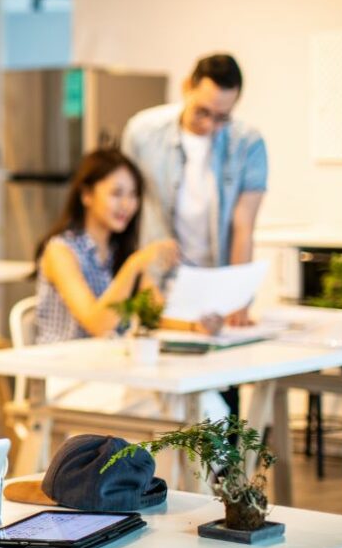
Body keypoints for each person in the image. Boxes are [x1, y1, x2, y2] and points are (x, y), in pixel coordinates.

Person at [34, 148, 228, 421]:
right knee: (177, 408)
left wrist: (197, 324)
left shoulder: (121, 251)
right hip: (65, 378)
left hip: (112, 371)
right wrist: (136, 264)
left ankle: (206, 466)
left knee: (205, 401)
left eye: (133, 195)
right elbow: (98, 324)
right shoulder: (61, 251)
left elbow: (155, 315)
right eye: (117, 193)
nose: (127, 204)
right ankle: (195, 466)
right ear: (86, 195)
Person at [122, 53, 268, 326]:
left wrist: (237, 298)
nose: (209, 125)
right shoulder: (142, 133)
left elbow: (243, 226)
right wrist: (142, 276)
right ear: (187, 86)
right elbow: (129, 212)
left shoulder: (248, 143)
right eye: (203, 112)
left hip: (217, 281)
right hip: (159, 282)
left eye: (222, 117)